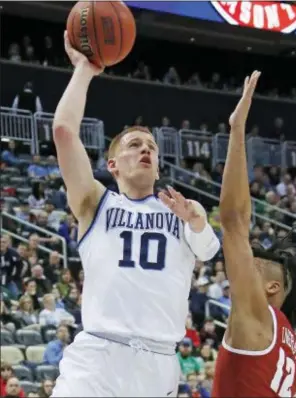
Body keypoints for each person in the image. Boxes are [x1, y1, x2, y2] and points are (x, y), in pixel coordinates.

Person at [50, 31, 220, 397]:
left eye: (152, 147)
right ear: (112, 164)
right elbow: (64, 132)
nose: (145, 150)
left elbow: (208, 251)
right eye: (134, 145)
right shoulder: (96, 202)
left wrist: (196, 222)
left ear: (158, 167)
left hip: (158, 364)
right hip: (98, 357)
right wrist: (83, 69)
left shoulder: (183, 209)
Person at [212, 71, 296, 398]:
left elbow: (234, 220)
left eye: (249, 266)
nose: (236, 268)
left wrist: (237, 129)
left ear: (271, 287)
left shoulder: (257, 315)